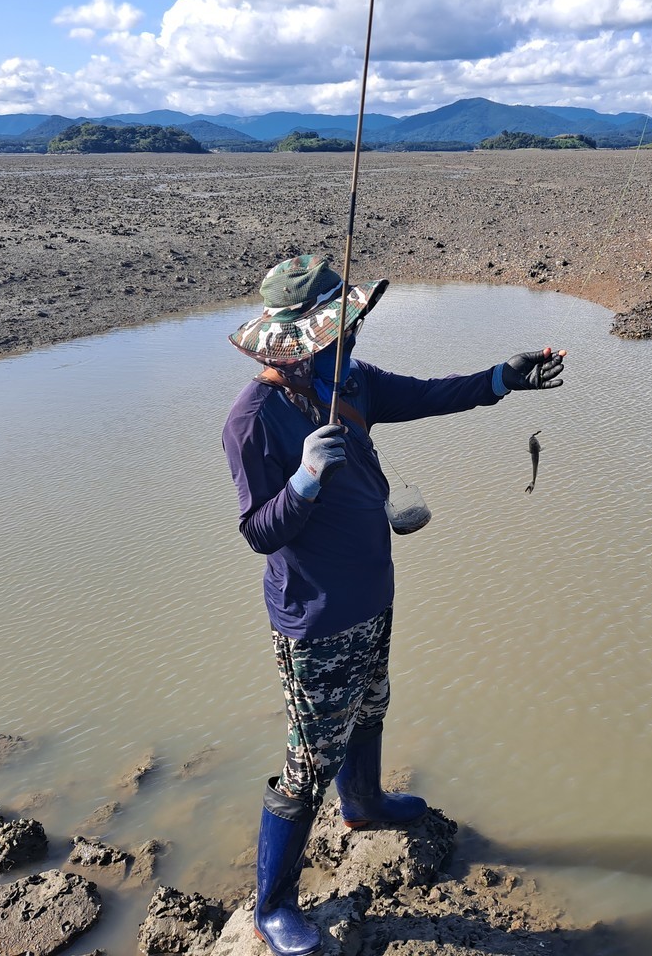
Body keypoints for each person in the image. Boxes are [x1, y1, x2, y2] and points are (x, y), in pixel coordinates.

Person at [221, 254, 566, 956]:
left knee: (372, 704)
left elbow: (426, 394)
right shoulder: (252, 420)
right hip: (314, 618)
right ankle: (272, 906)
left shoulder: (342, 380)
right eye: (336, 327)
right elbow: (260, 532)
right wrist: (306, 481)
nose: (349, 334)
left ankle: (365, 804)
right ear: (299, 337)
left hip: (373, 593)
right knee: (307, 761)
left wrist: (503, 378)